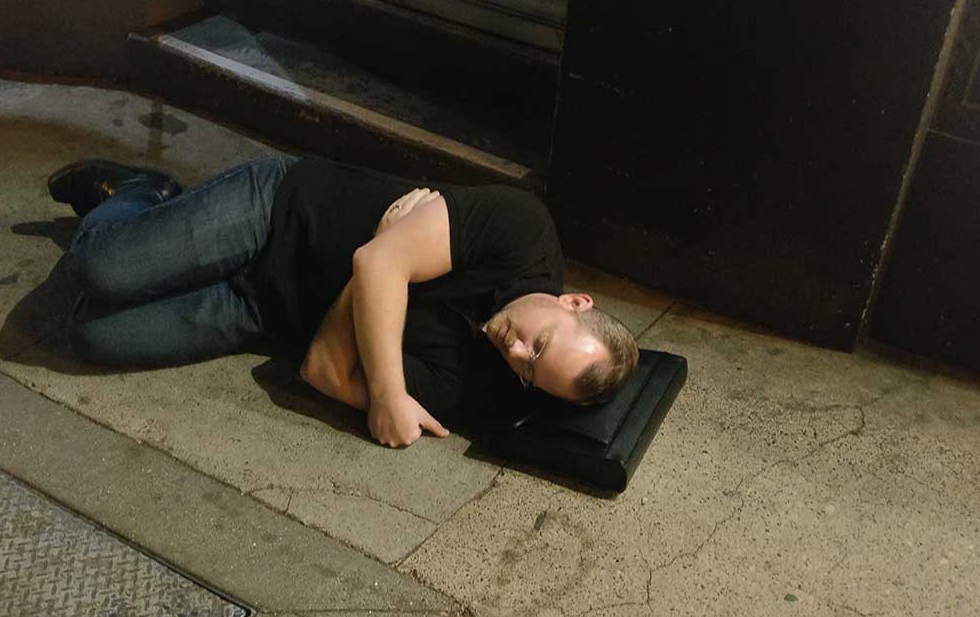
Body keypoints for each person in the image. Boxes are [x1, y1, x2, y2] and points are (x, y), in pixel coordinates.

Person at [49, 154, 639, 448]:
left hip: (261, 310)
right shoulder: (523, 231)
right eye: (540, 344)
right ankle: (142, 192)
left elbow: (322, 369)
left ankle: (159, 236)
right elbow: (378, 267)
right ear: (575, 302)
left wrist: (381, 255)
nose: (516, 352)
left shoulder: (481, 387)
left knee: (91, 335)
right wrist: (387, 393)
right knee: (99, 268)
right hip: (278, 211)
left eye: (530, 373)